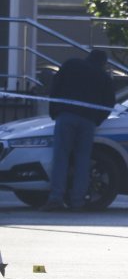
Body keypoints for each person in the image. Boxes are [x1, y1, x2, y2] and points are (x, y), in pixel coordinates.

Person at [39, 49, 115, 212]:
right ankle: (77, 201)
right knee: (83, 160)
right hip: (88, 121)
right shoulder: (103, 77)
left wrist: (55, 112)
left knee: (61, 157)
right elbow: (109, 102)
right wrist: (97, 119)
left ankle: (56, 198)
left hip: (66, 116)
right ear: (103, 63)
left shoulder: (71, 65)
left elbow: (55, 88)